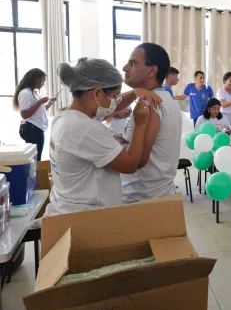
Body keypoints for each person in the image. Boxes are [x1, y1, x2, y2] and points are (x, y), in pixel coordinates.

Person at [41, 58, 152, 220]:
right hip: (87, 219)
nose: (115, 101)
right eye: (114, 96)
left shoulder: (65, 116)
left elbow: (109, 110)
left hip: (65, 209)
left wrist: (135, 92)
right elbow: (130, 165)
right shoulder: (86, 129)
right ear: (97, 94)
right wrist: (141, 125)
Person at [120, 43, 182, 204]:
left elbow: (138, 159)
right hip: (157, 194)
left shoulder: (151, 104)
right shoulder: (164, 99)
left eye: (133, 63)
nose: (125, 67)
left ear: (152, 70)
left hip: (141, 200)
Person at [13, 69, 56, 161]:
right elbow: (24, 114)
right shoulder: (25, 93)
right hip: (32, 129)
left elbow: (38, 111)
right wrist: (40, 102)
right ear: (35, 79)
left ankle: (36, 174)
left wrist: (49, 103)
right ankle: (36, 175)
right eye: (42, 81)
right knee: (36, 158)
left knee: (37, 156)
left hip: (36, 128)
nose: (43, 84)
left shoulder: (33, 92)